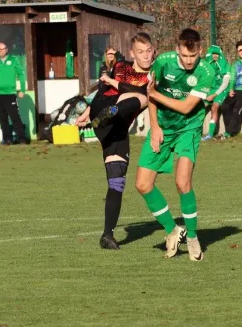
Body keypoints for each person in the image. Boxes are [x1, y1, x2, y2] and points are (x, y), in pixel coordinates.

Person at [135, 28, 213, 261]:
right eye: (185, 55)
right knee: (142, 184)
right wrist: (155, 127)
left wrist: (156, 95)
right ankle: (172, 230)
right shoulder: (163, 63)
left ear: (200, 50)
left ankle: (192, 237)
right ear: (177, 49)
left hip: (188, 128)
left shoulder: (206, 72)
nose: (189, 61)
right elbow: (150, 95)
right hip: (163, 127)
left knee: (182, 182)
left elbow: (187, 107)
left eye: (193, 56)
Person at [75, 33, 152, 250]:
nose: (145, 56)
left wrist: (112, 82)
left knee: (116, 182)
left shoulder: (153, 75)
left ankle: (107, 236)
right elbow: (103, 90)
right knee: (142, 98)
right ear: (132, 54)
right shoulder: (120, 66)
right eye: (140, 52)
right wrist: (90, 111)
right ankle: (106, 115)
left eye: (149, 51)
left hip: (115, 128)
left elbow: (140, 90)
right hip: (104, 110)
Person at [0, 42, 27, 145]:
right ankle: (7, 139)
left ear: (7, 50)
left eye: (2, 49)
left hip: (10, 94)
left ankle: (22, 139)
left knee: (15, 117)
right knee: (2, 118)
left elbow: (21, 74)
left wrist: (22, 90)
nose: (0, 51)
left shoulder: (13, 59)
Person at [202, 45, 231, 140]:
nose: (215, 56)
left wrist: (214, 95)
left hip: (221, 91)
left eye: (217, 54)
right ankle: (195, 133)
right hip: (209, 90)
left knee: (214, 107)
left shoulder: (225, 65)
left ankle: (210, 135)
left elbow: (225, 84)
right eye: (213, 53)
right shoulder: (206, 65)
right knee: (199, 109)